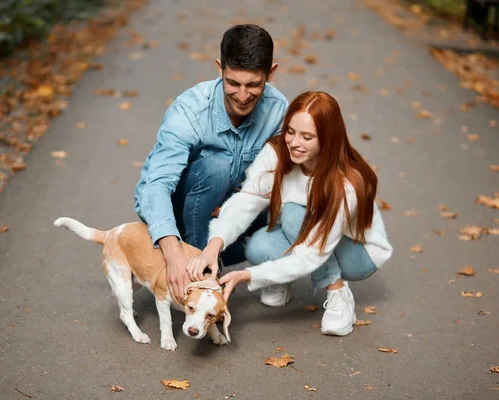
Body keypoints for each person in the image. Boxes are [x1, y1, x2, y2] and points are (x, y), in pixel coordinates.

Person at [189, 91, 393, 336]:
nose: (295, 143)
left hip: (358, 253)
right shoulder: (276, 154)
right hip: (308, 237)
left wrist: (248, 275)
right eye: (291, 132)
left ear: (328, 140)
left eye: (307, 137)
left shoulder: (344, 184)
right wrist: (214, 245)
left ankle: (337, 290)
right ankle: (282, 279)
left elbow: (310, 255)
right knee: (257, 246)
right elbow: (246, 202)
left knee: (294, 214)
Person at [134, 24, 288, 304]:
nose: (243, 96)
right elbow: (155, 186)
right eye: (233, 83)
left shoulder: (278, 111)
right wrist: (174, 254)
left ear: (271, 73)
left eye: (254, 85)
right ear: (220, 69)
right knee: (216, 169)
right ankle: (196, 270)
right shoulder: (190, 110)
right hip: (184, 212)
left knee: (286, 187)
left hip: (231, 212)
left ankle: (246, 262)